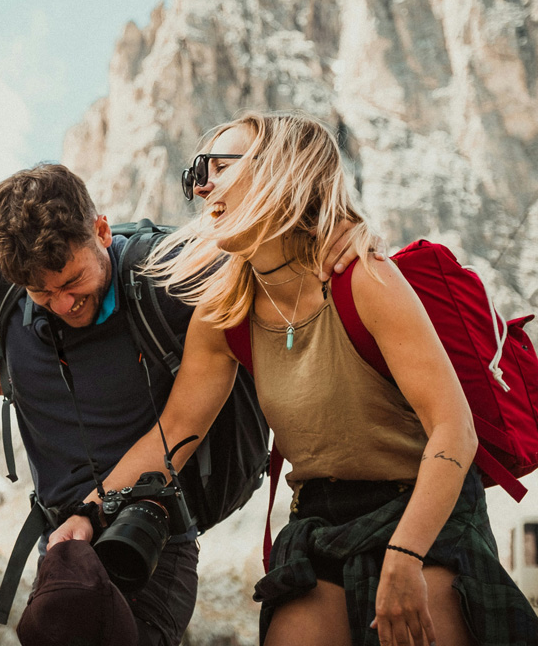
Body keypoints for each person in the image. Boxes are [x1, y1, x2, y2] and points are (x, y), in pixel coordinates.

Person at [0, 104, 368, 646]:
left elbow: (272, 242)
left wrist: (344, 230)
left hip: (150, 542)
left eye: (74, 282)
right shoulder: (9, 266)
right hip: (63, 550)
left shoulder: (167, 276)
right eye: (40, 294)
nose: (64, 305)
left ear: (101, 230)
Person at [49, 111, 538, 646]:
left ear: (281, 171)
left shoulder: (364, 279)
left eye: (219, 166)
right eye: (198, 172)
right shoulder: (223, 313)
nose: (202, 184)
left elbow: (454, 432)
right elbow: (174, 435)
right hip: (319, 520)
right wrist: (90, 512)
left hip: (422, 507)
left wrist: (406, 555)